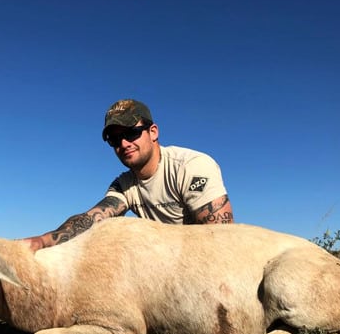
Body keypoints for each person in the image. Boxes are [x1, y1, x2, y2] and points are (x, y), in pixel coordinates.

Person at [25, 99, 233, 251]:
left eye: (131, 133)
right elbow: (90, 219)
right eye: (115, 140)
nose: (123, 144)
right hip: (168, 264)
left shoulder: (191, 166)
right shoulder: (123, 185)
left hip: (203, 265)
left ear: (153, 132)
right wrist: (42, 242)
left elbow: (220, 240)